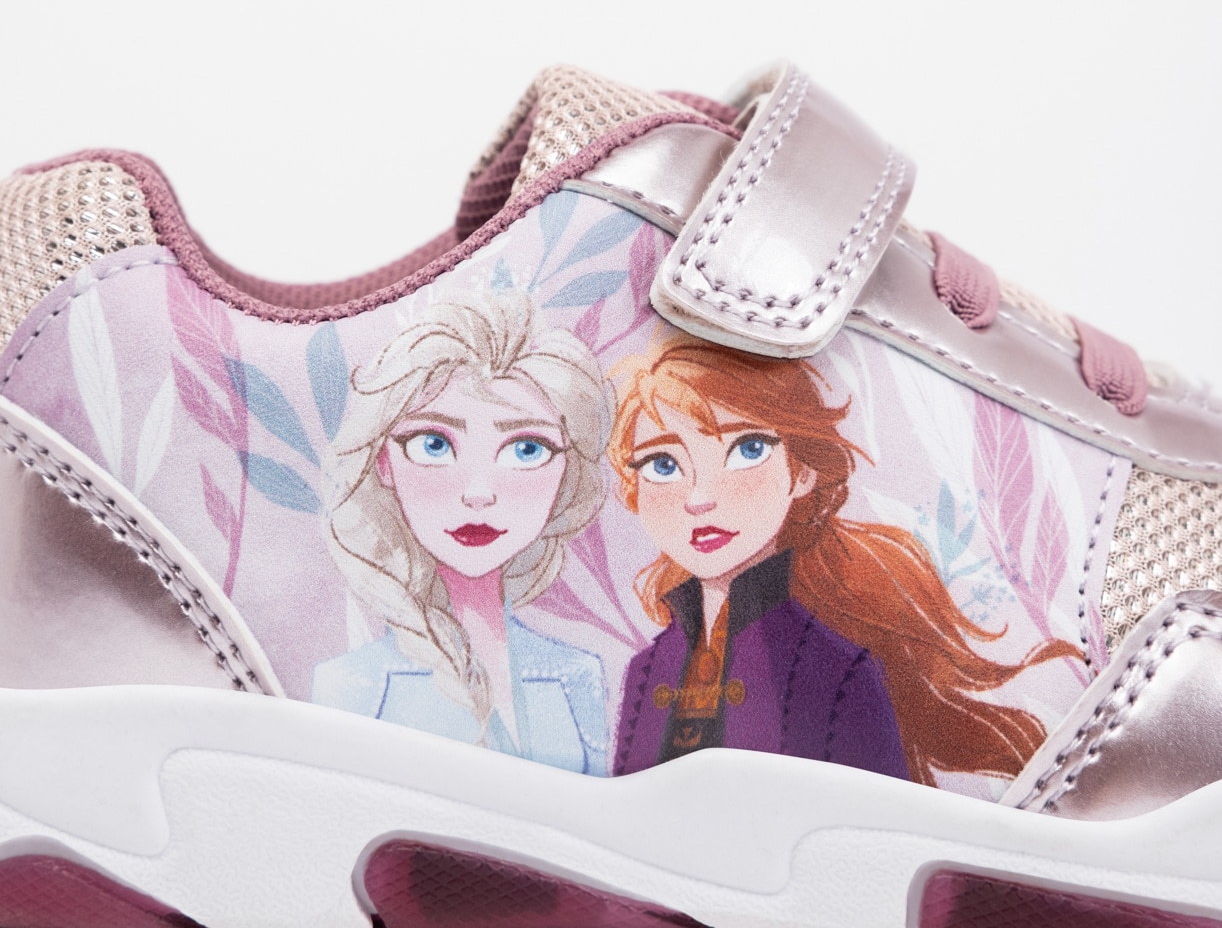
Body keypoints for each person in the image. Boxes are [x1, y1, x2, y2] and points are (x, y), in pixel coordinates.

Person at [609, 339, 1073, 783]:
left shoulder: (837, 671)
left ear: (803, 473)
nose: (700, 499)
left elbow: (875, 827)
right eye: (662, 464)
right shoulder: (647, 670)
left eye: (748, 449)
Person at [313, 287, 612, 775]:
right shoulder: (356, 686)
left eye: (526, 449)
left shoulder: (576, 676)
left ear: (566, 469)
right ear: (384, 461)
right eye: (433, 444)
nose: (478, 493)